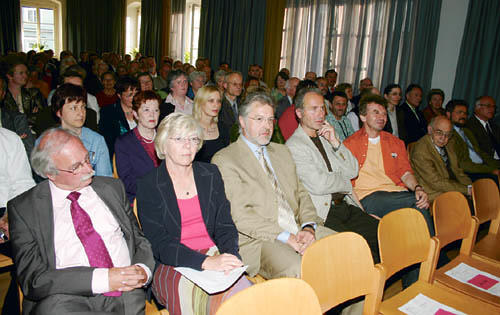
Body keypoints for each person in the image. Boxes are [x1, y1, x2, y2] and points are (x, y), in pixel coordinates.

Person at [8, 128, 155, 315]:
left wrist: (142, 270)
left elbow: (139, 240)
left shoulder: (112, 189)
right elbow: (34, 279)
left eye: (87, 158)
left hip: (126, 293)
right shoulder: (24, 209)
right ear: (50, 173)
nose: (89, 169)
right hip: (65, 298)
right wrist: (105, 278)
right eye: (76, 166)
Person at [136, 113, 251, 315]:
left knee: (245, 298)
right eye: (179, 139)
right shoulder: (149, 184)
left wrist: (230, 255)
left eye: (193, 139)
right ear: (163, 145)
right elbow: (160, 243)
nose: (187, 145)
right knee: (205, 304)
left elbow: (225, 224)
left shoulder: (210, 174)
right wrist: (206, 263)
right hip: (171, 263)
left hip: (213, 252)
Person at [212, 91, 335, 279]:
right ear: (242, 122)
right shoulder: (226, 160)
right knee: (298, 269)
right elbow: (240, 215)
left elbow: (301, 193)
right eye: (259, 119)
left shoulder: (281, 151)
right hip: (261, 238)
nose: (267, 126)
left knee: (349, 250)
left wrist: (309, 227)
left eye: (270, 120)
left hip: (299, 227)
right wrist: (287, 237)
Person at [286, 88, 379, 262]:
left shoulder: (325, 137)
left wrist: (336, 142)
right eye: (313, 109)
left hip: (345, 205)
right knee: (364, 254)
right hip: (324, 213)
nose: (320, 114)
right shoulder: (294, 146)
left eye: (322, 108)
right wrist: (345, 182)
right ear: (299, 113)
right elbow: (319, 184)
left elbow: (353, 170)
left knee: (384, 236)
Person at [343, 94, 433, 233]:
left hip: (395, 194)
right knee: (416, 204)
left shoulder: (395, 142)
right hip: (368, 196)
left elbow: (405, 173)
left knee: (419, 200)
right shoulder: (349, 144)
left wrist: (418, 188)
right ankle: (432, 250)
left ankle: (423, 250)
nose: (381, 117)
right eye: (376, 112)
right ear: (362, 117)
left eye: (384, 113)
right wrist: (360, 211)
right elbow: (345, 184)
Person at [37, 83, 112, 177]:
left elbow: (105, 179)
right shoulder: (46, 142)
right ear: (59, 112)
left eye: (83, 107)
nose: (80, 113)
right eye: (73, 108)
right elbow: (42, 179)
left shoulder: (96, 141)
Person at [410, 115, 472, 202]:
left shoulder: (449, 143)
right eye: (439, 132)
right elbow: (436, 182)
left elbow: (458, 171)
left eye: (448, 134)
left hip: (451, 186)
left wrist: (470, 186)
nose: (443, 138)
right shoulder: (421, 152)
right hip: (434, 192)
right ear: (430, 130)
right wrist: (466, 190)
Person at [115, 90, 161, 205]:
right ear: (135, 114)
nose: (152, 115)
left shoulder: (166, 137)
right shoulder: (124, 143)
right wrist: (155, 190)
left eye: (156, 110)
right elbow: (127, 180)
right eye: (146, 110)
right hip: (140, 199)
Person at [446, 99, 500, 185]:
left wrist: (497, 165)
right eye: (459, 112)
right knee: (494, 181)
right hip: (467, 172)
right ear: (448, 114)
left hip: (480, 167)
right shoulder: (448, 134)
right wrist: (491, 170)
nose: (463, 116)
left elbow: (480, 153)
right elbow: (462, 164)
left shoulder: (466, 131)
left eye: (465, 113)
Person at [99, 76, 140, 159]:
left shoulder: (144, 108)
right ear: (119, 95)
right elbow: (109, 142)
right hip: (120, 156)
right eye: (129, 95)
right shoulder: (108, 112)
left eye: (136, 94)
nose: (134, 98)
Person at [192, 86, 230, 163]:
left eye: (218, 101)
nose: (216, 105)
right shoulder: (190, 128)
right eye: (211, 101)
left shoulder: (222, 127)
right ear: (200, 102)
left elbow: (228, 156)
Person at [466, 96, 500, 162]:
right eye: (488, 106)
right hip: (484, 163)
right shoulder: (469, 126)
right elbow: (475, 152)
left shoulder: (495, 127)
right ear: (477, 107)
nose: (492, 109)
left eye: (493, 107)